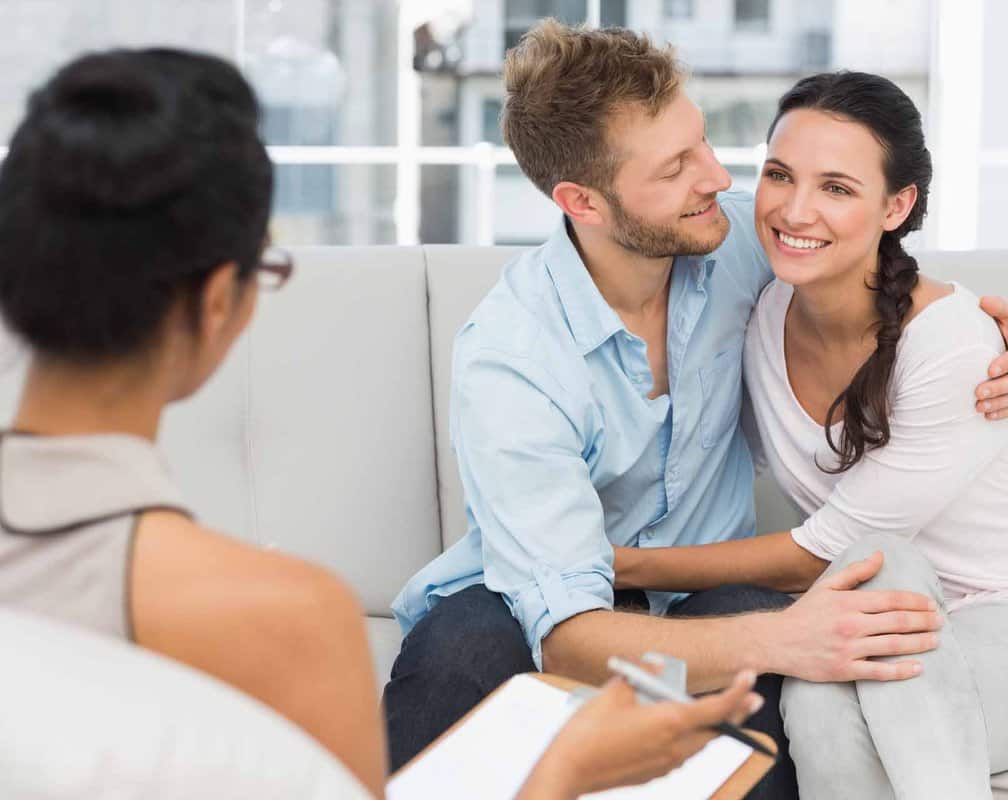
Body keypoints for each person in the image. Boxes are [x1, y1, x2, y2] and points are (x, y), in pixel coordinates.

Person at [0, 47, 760, 800]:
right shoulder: (282, 617)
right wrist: (563, 775)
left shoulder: (737, 244)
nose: (714, 178)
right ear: (217, 305)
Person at [386, 21, 1008, 797]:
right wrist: (785, 635)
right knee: (457, 650)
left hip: (712, 601)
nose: (715, 176)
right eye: (676, 166)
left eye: (701, 142)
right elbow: (568, 637)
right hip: (548, 607)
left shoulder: (734, 239)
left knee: (761, 694)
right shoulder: (512, 358)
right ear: (582, 201)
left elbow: (871, 267)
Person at [611, 71, 1008, 798]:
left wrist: (618, 566)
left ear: (895, 206)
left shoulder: (952, 347)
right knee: (817, 694)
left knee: (882, 565)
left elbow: (813, 556)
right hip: (866, 611)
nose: (796, 209)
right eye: (779, 175)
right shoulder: (757, 301)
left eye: (838, 188)